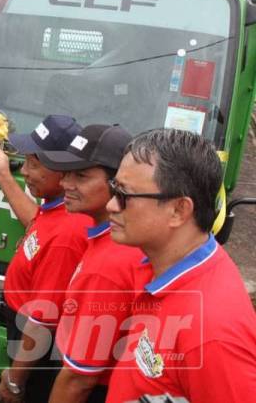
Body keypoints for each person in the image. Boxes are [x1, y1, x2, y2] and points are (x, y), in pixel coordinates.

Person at [104, 128, 256, 403]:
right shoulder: (159, 267)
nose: (111, 205)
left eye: (124, 195)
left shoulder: (212, 334)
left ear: (179, 211)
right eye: (113, 189)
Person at [0, 115, 92, 403]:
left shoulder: (68, 236)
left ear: (64, 172)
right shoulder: (57, 206)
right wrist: (3, 175)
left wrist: (15, 381)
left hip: (34, 341)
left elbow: (41, 322)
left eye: (34, 163)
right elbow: (37, 224)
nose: (25, 171)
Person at [40, 124, 143, 403]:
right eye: (67, 173)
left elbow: (79, 380)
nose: (65, 184)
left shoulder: (110, 263)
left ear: (117, 184)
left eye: (81, 176)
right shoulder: (110, 236)